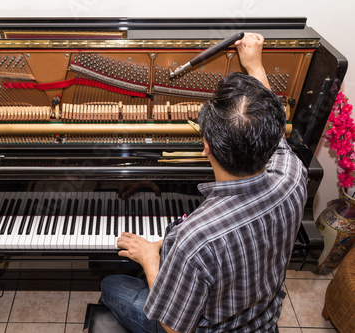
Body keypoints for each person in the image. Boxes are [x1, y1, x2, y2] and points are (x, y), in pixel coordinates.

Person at [100, 33, 308, 333]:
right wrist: (255, 66)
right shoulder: (293, 175)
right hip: (262, 321)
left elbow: (173, 327)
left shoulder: (196, 240)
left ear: (206, 146)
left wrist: (149, 258)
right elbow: (274, 129)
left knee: (111, 285)